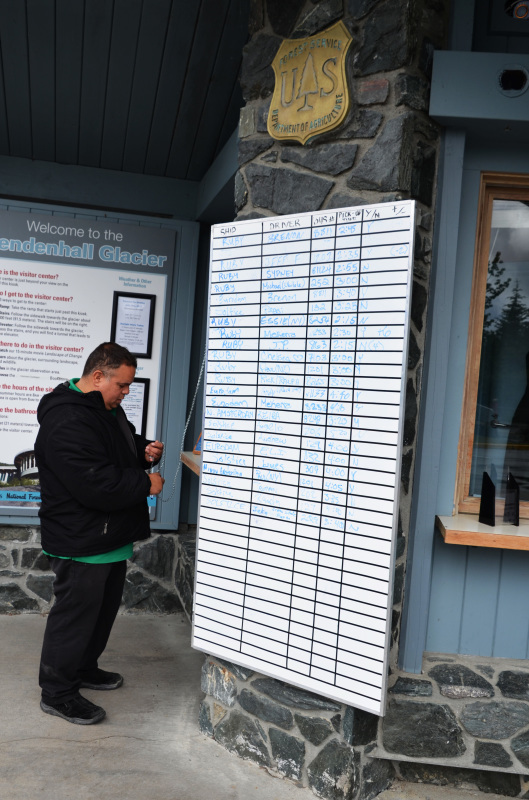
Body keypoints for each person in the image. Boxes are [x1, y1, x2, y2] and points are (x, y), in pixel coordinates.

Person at [34, 341, 164, 725]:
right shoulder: (67, 420)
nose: (125, 393)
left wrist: (142, 451)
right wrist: (146, 484)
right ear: (97, 376)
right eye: (122, 385)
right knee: (74, 618)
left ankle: (84, 667)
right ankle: (57, 693)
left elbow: (113, 447)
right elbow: (94, 483)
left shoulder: (104, 408)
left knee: (101, 613)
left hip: (107, 535)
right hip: (81, 539)